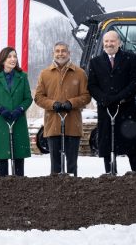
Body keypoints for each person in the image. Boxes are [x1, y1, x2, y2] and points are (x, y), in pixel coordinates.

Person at [88, 30, 136, 174]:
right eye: (106, 41)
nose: (108, 44)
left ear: (119, 43)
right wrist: (103, 98)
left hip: (126, 110)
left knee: (132, 145)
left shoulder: (131, 58)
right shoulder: (95, 62)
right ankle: (110, 175)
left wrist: (120, 97)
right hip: (106, 110)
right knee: (107, 144)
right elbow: (92, 85)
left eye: (112, 41)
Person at [34, 41, 90, 176]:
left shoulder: (80, 73)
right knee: (55, 165)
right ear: (53, 53)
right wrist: (53, 104)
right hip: (53, 123)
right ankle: (55, 192)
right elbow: (38, 97)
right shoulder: (45, 74)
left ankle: (73, 191)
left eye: (63, 51)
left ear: (69, 53)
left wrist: (72, 103)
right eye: (57, 51)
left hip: (73, 123)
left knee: (72, 165)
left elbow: (87, 96)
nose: (60, 54)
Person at [0, 47, 32, 176]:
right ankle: (2, 187)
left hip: (18, 120)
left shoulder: (22, 76)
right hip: (1, 121)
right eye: (9, 56)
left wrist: (20, 109)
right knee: (2, 157)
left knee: (18, 157)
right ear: (3, 60)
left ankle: (19, 187)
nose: (13, 59)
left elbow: (28, 98)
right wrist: (0, 109)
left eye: (15, 56)